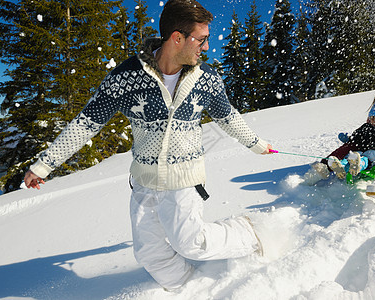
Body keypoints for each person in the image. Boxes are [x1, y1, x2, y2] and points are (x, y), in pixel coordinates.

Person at [24, 0, 272, 291]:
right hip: (144, 180)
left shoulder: (206, 80)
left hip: (185, 179)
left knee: (192, 243)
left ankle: (250, 234)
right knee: (148, 252)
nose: (205, 47)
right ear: (176, 38)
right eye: (201, 39)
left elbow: (228, 117)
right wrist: (44, 165)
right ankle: (189, 287)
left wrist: (257, 144)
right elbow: (86, 123)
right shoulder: (126, 78)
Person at [303, 100, 375, 201]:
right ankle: (327, 166)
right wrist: (348, 139)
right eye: (373, 118)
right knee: (349, 147)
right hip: (360, 151)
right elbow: (356, 137)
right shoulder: (366, 127)